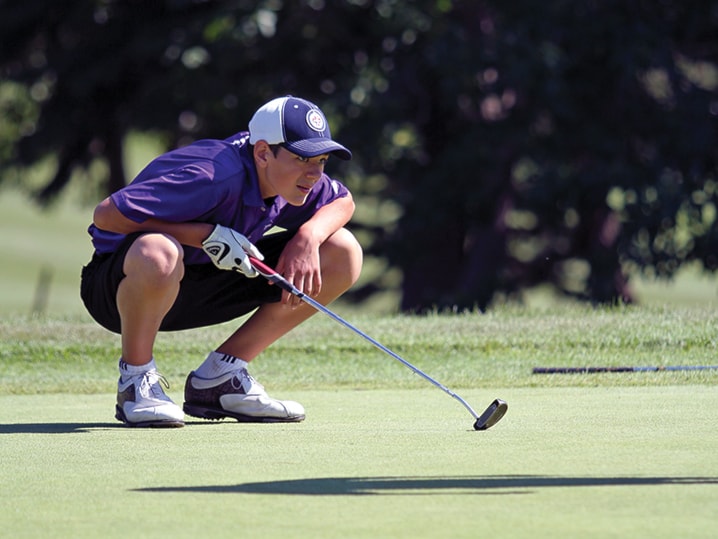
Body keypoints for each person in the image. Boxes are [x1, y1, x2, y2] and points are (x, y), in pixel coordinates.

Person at [80, 96, 363, 428]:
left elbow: (344, 201)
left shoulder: (292, 178)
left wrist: (308, 237)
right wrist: (203, 235)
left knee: (342, 250)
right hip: (122, 290)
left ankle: (220, 377)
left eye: (322, 160)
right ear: (262, 153)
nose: (314, 173)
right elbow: (107, 215)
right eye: (302, 157)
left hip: (205, 280)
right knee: (158, 252)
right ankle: (135, 381)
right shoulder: (213, 174)